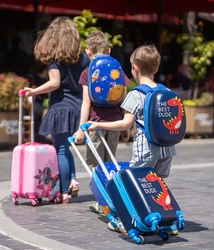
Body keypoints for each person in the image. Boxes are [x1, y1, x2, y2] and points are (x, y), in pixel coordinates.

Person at [86, 45, 177, 233]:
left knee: (131, 184)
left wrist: (98, 125)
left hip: (146, 149)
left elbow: (125, 124)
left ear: (134, 67)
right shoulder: (165, 89)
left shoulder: (136, 94)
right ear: (157, 68)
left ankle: (124, 218)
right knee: (156, 184)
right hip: (167, 148)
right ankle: (165, 218)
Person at [23, 16, 89, 204]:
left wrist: (33, 91)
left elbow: (54, 83)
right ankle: (73, 181)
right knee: (66, 148)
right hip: (77, 109)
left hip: (60, 108)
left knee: (60, 149)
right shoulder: (83, 57)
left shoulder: (55, 59)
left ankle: (63, 192)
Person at [72, 30, 130, 213]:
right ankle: (111, 197)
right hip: (114, 123)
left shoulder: (87, 72)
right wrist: (127, 124)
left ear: (87, 52)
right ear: (109, 50)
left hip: (94, 124)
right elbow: (124, 98)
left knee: (95, 165)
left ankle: (103, 201)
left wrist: (81, 129)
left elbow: (86, 102)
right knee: (110, 162)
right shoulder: (117, 70)